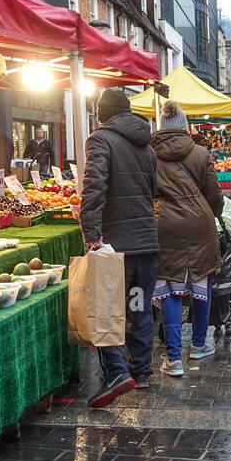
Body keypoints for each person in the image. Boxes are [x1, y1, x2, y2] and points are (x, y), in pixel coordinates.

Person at [79, 87, 158, 408]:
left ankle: (115, 370)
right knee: (139, 307)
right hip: (146, 241)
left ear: (103, 113)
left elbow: (94, 186)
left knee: (105, 307)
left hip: (114, 242)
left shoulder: (100, 139)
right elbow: (153, 188)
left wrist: (91, 232)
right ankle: (140, 371)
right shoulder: (146, 144)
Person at [151, 100, 224, 377]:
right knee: (201, 280)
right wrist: (213, 212)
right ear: (184, 126)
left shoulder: (149, 154)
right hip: (199, 225)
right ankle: (198, 345)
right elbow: (214, 196)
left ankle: (173, 359)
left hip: (164, 224)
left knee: (168, 287)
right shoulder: (200, 153)